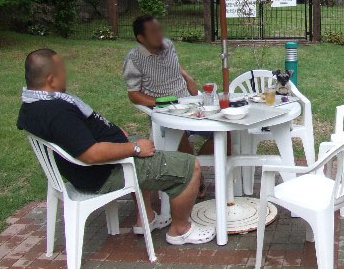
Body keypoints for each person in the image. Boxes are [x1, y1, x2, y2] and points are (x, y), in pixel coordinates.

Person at [18, 49, 214, 245]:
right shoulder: (57, 113)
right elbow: (91, 154)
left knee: (144, 145)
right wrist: (135, 149)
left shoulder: (32, 105)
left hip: (94, 169)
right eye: (62, 70)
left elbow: (80, 137)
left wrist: (114, 133)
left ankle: (146, 217)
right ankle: (180, 230)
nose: (66, 74)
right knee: (190, 166)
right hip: (105, 172)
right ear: (51, 79)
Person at [123, 15, 211, 197]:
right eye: (153, 32)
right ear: (141, 38)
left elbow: (174, 67)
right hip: (166, 112)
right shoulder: (134, 58)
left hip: (190, 103)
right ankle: (196, 177)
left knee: (228, 131)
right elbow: (133, 94)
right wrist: (161, 102)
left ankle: (196, 167)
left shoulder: (168, 45)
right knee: (179, 133)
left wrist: (188, 79)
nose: (160, 34)